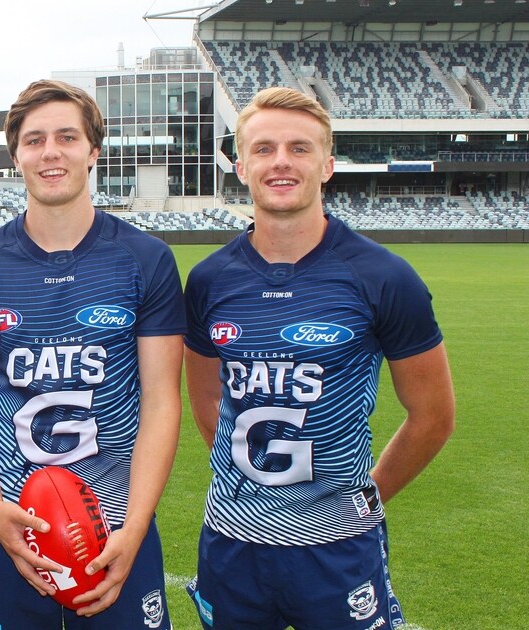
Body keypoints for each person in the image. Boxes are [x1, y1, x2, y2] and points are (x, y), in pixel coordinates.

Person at [183, 87, 455, 629]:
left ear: (327, 165)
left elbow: (433, 416)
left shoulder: (384, 277)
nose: (281, 161)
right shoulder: (209, 280)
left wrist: (366, 498)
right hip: (232, 541)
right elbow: (207, 401)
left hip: (338, 544)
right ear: (241, 166)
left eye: (299, 148)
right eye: (263, 149)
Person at [0, 79, 184, 629]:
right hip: (6, 523)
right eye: (34, 140)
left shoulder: (146, 259)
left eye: (67, 137)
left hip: (115, 526)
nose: (50, 152)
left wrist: (136, 525)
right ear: (16, 156)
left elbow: (161, 400)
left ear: (93, 150)